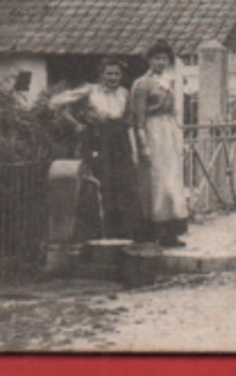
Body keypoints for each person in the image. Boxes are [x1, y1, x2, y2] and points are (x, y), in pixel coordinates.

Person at [49, 57, 139, 240]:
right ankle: (99, 231)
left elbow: (129, 121)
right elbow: (55, 103)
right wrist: (76, 125)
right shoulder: (89, 90)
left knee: (122, 182)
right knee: (101, 180)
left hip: (119, 141)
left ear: (121, 76)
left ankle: (121, 231)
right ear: (101, 75)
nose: (112, 78)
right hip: (98, 139)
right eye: (108, 74)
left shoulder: (124, 93)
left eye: (116, 74)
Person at [130, 39, 189, 248]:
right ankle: (151, 231)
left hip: (169, 132)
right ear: (149, 60)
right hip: (152, 132)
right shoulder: (141, 84)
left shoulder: (170, 81)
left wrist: (179, 138)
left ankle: (170, 234)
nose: (161, 62)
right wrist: (143, 146)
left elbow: (174, 113)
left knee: (172, 182)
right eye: (157, 58)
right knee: (156, 182)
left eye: (164, 59)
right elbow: (138, 118)